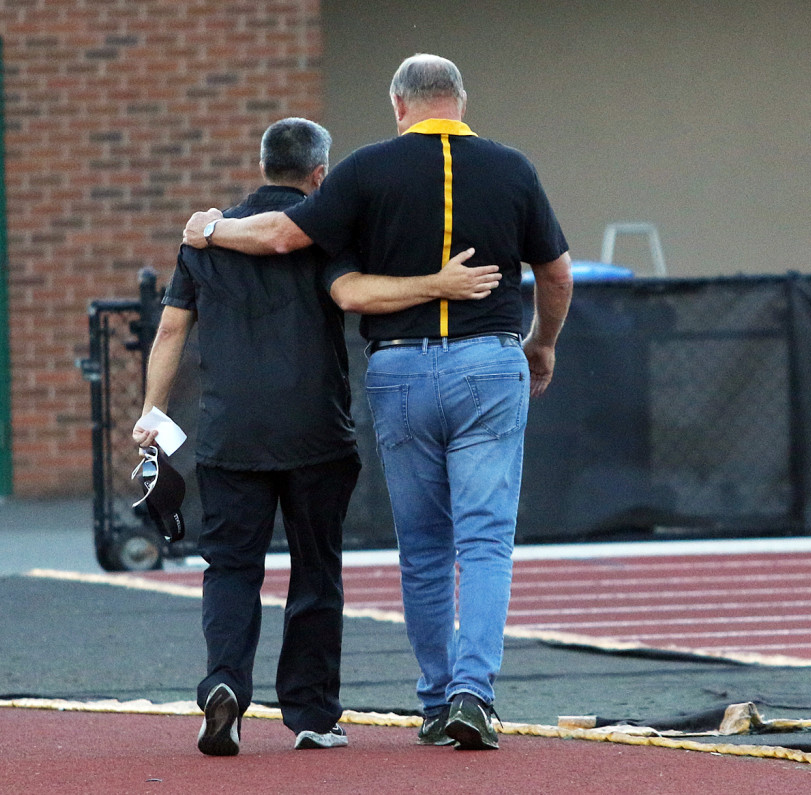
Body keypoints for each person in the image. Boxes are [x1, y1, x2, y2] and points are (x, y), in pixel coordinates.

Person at [182, 55, 574, 751]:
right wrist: (541, 343)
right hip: (489, 364)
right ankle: (472, 693)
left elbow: (292, 244)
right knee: (485, 541)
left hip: (400, 370)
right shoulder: (513, 168)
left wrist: (207, 230)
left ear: (399, 104)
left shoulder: (365, 170)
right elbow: (557, 272)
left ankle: (435, 700)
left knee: (423, 547)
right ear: (460, 101)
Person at [135, 117, 502, 756]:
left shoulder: (205, 239)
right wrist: (439, 285)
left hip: (231, 434)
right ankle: (312, 714)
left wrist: (152, 411)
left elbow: (170, 332)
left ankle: (223, 685)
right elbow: (360, 295)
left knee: (230, 567)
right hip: (316, 433)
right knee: (316, 572)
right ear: (319, 174)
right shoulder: (328, 234)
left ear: (262, 165)